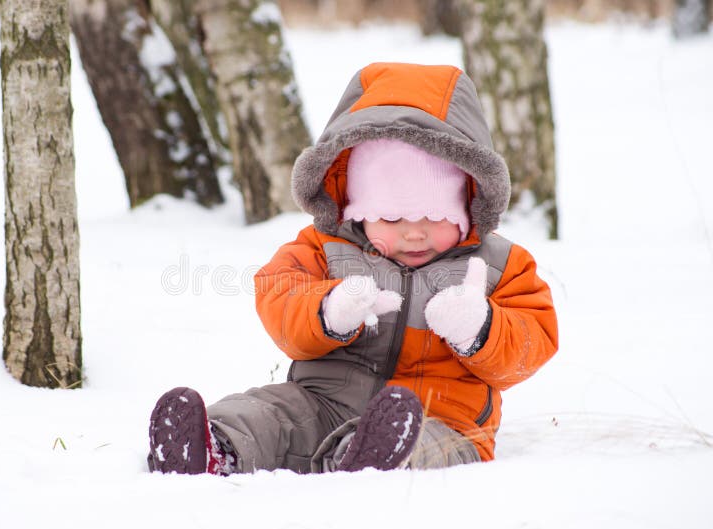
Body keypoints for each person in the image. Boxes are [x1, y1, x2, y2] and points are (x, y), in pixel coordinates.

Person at [147, 62, 559, 475]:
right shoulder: (326, 248)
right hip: (323, 399)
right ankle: (214, 445)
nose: (414, 235)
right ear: (358, 210)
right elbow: (278, 296)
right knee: (271, 412)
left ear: (469, 200)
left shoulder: (499, 265)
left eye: (434, 216)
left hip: (443, 417)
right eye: (392, 218)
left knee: (428, 445)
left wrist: (481, 329)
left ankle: (368, 457)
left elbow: (534, 339)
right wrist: (326, 312)